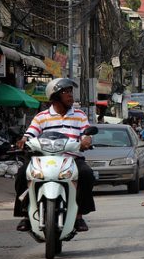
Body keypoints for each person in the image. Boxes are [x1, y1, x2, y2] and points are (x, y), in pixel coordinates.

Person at [14, 78, 95, 232]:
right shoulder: (41, 117)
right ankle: (25, 214)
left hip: (71, 159)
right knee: (22, 173)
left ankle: (78, 216)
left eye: (71, 92)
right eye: (66, 92)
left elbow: (87, 133)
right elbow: (30, 134)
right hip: (44, 159)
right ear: (55, 95)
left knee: (87, 174)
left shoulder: (79, 115)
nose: (71, 95)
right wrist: (23, 140)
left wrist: (86, 140)